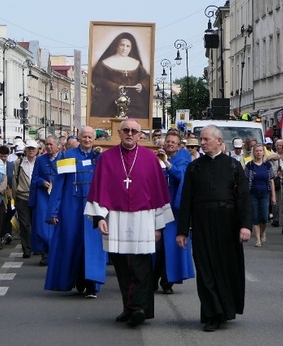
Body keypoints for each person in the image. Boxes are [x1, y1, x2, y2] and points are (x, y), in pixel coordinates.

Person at [84, 119, 173, 327]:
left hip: (143, 218)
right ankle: (128, 307)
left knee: (141, 266)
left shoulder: (150, 159)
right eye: (126, 130)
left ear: (140, 134)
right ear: (120, 132)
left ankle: (140, 308)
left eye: (134, 130)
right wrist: (99, 218)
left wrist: (158, 226)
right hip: (115, 217)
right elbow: (99, 188)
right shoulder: (107, 158)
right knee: (122, 266)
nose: (130, 133)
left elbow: (159, 193)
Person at [176, 125, 251, 332]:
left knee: (225, 268)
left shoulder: (233, 166)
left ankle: (225, 309)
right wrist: (182, 231)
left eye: (206, 139)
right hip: (201, 223)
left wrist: (245, 226)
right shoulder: (195, 167)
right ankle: (211, 313)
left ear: (219, 141)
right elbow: (186, 200)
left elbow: (243, 199)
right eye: (201, 139)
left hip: (227, 223)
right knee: (205, 267)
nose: (202, 143)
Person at [46, 127, 106, 297]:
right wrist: (54, 211)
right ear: (79, 138)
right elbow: (60, 184)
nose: (87, 140)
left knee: (93, 245)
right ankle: (75, 279)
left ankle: (92, 284)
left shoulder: (99, 158)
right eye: (84, 137)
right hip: (71, 206)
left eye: (90, 137)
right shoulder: (67, 155)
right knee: (72, 243)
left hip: (93, 207)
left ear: (94, 139)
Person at [153, 133, 195, 295]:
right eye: (168, 142)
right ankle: (151, 279)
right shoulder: (156, 156)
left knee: (168, 247)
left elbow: (180, 176)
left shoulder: (183, 159)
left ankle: (167, 281)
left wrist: (166, 162)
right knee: (155, 247)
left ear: (179, 146)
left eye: (173, 142)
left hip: (173, 210)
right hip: (157, 206)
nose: (170, 144)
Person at [91, 32, 150, 118]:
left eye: (127, 46)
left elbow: (146, 77)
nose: (124, 48)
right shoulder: (105, 63)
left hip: (135, 102)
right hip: (111, 101)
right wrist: (115, 87)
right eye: (122, 45)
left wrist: (141, 85)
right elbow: (98, 78)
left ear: (131, 49)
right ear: (116, 46)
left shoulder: (136, 63)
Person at [29, 136, 61, 266]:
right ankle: (44, 254)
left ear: (58, 146)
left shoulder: (64, 159)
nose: (48, 147)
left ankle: (55, 253)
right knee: (42, 226)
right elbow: (34, 178)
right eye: (47, 144)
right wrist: (42, 182)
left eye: (51, 144)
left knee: (57, 225)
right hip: (43, 197)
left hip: (58, 196)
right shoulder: (40, 160)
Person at [244, 144, 276, 247]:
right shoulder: (249, 165)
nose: (258, 153)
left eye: (260, 151)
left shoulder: (267, 165)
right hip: (253, 193)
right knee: (255, 217)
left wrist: (273, 196)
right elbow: (245, 181)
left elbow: (271, 181)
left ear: (263, 152)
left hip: (264, 193)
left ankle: (262, 233)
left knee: (264, 217)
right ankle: (257, 239)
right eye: (257, 151)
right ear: (254, 152)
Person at [13, 140, 39, 258]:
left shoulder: (40, 163)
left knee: (36, 223)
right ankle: (26, 249)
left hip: (37, 197)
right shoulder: (18, 163)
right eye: (29, 148)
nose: (31, 151)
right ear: (25, 150)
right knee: (24, 224)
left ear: (37, 150)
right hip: (22, 197)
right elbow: (14, 180)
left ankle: (36, 246)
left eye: (33, 149)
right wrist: (15, 196)